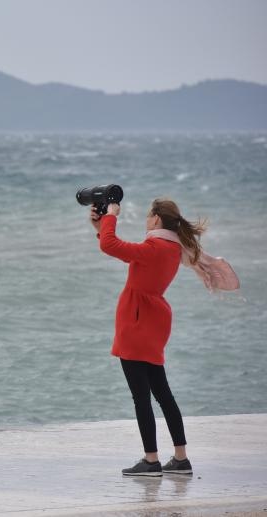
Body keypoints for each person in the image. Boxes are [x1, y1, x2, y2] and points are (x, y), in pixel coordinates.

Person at [90, 197, 238, 477]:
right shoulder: (173, 247)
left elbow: (111, 246)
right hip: (154, 320)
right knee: (162, 393)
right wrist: (101, 227)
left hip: (136, 321)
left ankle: (151, 461)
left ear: (156, 219)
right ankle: (180, 459)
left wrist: (110, 217)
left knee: (141, 398)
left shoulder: (155, 246)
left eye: (148, 216)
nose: (146, 220)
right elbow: (120, 249)